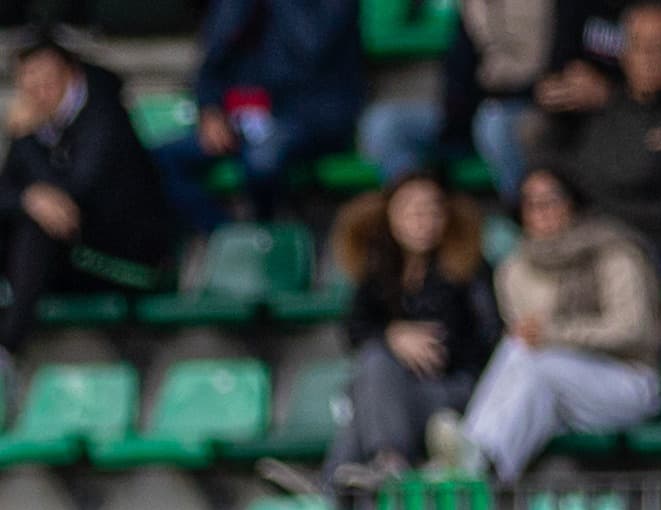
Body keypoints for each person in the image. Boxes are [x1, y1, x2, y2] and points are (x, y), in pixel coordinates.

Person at [431, 166, 661, 481]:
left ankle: (480, 455)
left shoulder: (614, 252)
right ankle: (479, 459)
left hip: (625, 379)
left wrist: (555, 334)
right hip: (558, 392)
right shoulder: (514, 268)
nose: (541, 211)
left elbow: (633, 329)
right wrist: (542, 338)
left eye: (551, 200)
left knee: (536, 362)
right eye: (531, 203)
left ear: (573, 203)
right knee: (518, 350)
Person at [314, 172, 503, 492]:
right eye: (411, 210)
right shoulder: (381, 267)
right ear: (391, 216)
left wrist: (436, 349)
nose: (422, 220)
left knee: (370, 382)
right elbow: (354, 329)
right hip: (395, 393)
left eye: (431, 210)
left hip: (453, 391)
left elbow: (488, 339)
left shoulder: (469, 268)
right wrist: (393, 335)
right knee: (373, 366)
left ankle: (348, 477)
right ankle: (365, 469)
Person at [0, 34, 178, 368]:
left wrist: (24, 140)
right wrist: (28, 196)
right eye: (29, 82)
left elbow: (75, 194)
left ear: (72, 74)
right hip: (72, 256)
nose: (38, 90)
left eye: (46, 79)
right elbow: (9, 192)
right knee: (29, 214)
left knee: (37, 227)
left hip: (128, 261)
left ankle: (6, 350)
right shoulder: (40, 127)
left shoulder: (105, 117)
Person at [525, 3, 661, 280]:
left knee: (606, 269)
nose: (649, 57)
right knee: (526, 262)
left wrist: (586, 190)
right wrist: (553, 110)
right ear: (623, 54)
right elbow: (552, 162)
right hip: (602, 239)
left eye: (660, 47)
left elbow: (638, 170)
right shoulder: (610, 108)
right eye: (639, 46)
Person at [154, 0, 364, 231]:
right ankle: (227, 236)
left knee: (263, 158)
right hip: (241, 119)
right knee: (162, 159)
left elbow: (311, 45)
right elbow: (212, 61)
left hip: (307, 114)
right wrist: (210, 110)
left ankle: (265, 236)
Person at [359, 0, 555, 205]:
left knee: (494, 124)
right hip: (470, 110)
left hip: (527, 106)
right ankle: (416, 215)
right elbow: (460, 68)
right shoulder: (473, 6)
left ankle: (524, 217)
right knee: (384, 123)